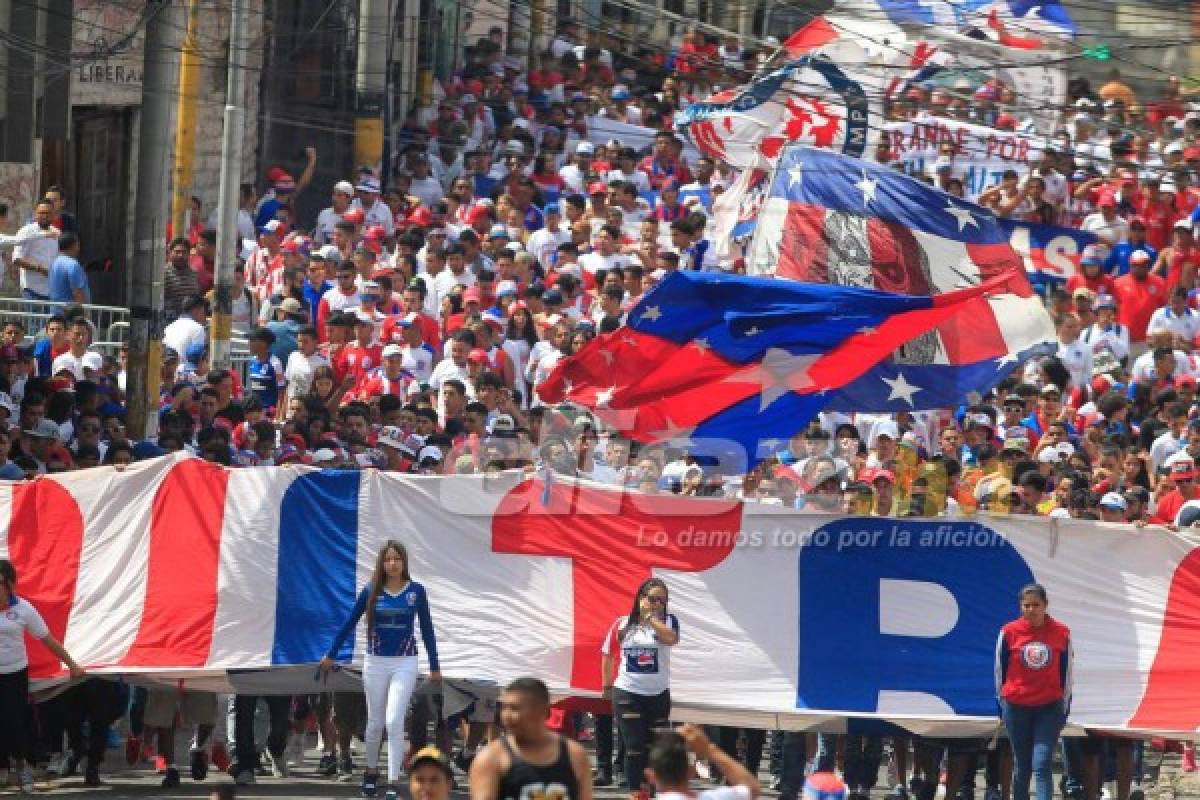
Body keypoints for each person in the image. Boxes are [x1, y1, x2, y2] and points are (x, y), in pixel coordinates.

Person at [320, 540, 441, 798]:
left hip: (405, 661)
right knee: (375, 724)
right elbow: (349, 622)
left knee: (394, 720)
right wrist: (331, 655)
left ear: (404, 562)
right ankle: (371, 772)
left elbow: (428, 631)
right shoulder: (371, 590)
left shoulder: (417, 591)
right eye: (388, 559)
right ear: (382, 563)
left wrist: (434, 666)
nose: (393, 563)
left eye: (397, 559)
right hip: (375, 662)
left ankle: (394, 781)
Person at [0, 559, 86, 793]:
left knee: (14, 722)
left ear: (9, 585)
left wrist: (72, 665)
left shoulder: (23, 609)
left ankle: (22, 768)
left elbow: (49, 640)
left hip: (14, 674)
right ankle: (3, 769)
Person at [601, 578, 679, 797]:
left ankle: (651, 792)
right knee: (634, 748)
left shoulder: (669, 622)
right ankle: (636, 793)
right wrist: (607, 685)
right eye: (653, 598)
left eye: (662, 600)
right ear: (641, 598)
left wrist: (650, 619)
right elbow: (608, 653)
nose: (657, 604)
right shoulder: (623, 623)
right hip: (628, 693)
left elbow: (671, 639)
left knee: (655, 749)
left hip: (658, 695)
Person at [995, 583, 1073, 800]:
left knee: (1041, 762)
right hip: (1016, 706)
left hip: (1049, 707)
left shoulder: (1062, 632)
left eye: (1036, 605)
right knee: (1022, 765)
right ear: (1020, 606)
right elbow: (999, 670)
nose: (1031, 609)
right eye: (1026, 605)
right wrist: (1001, 703)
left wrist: (1065, 706)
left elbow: (1067, 671)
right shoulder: (1008, 632)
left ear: (1045, 605)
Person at [468, 676, 594, 800]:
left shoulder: (574, 755)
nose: (507, 715)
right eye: (504, 708)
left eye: (516, 708)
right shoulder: (490, 759)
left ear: (545, 712)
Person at [647, 724, 761, 800]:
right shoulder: (715, 797)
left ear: (651, 776)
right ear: (691, 771)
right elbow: (752, 788)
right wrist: (708, 749)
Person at [48, 232, 89, 303]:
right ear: (73, 246)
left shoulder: (54, 263)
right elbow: (77, 292)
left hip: (56, 310)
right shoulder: (72, 265)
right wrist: (84, 312)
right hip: (71, 312)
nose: (78, 248)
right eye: (77, 245)